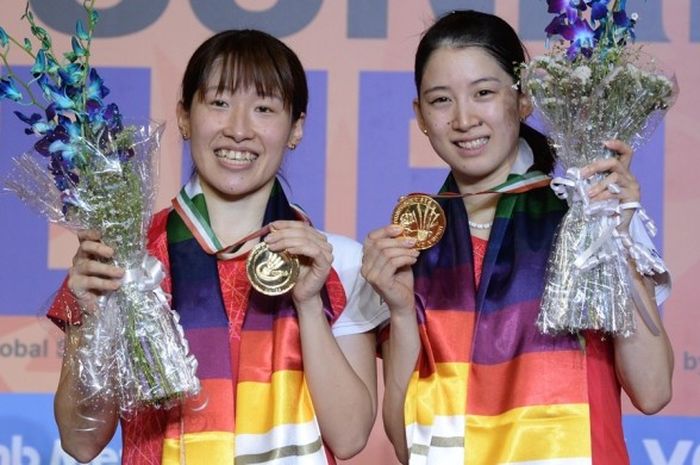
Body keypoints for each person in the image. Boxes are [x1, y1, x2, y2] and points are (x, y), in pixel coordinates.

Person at [49, 29, 387, 465]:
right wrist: (91, 322)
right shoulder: (125, 258)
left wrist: (307, 304)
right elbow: (81, 442)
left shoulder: (336, 261)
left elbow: (349, 437)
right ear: (185, 116)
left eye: (263, 108)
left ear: (296, 128)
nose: (239, 130)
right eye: (219, 103)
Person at [361, 10, 674, 465]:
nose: (464, 119)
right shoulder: (409, 248)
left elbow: (653, 391)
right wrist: (402, 311)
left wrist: (616, 235)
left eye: (484, 93)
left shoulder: (583, 223)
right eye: (441, 100)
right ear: (421, 116)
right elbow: (409, 447)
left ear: (523, 99)